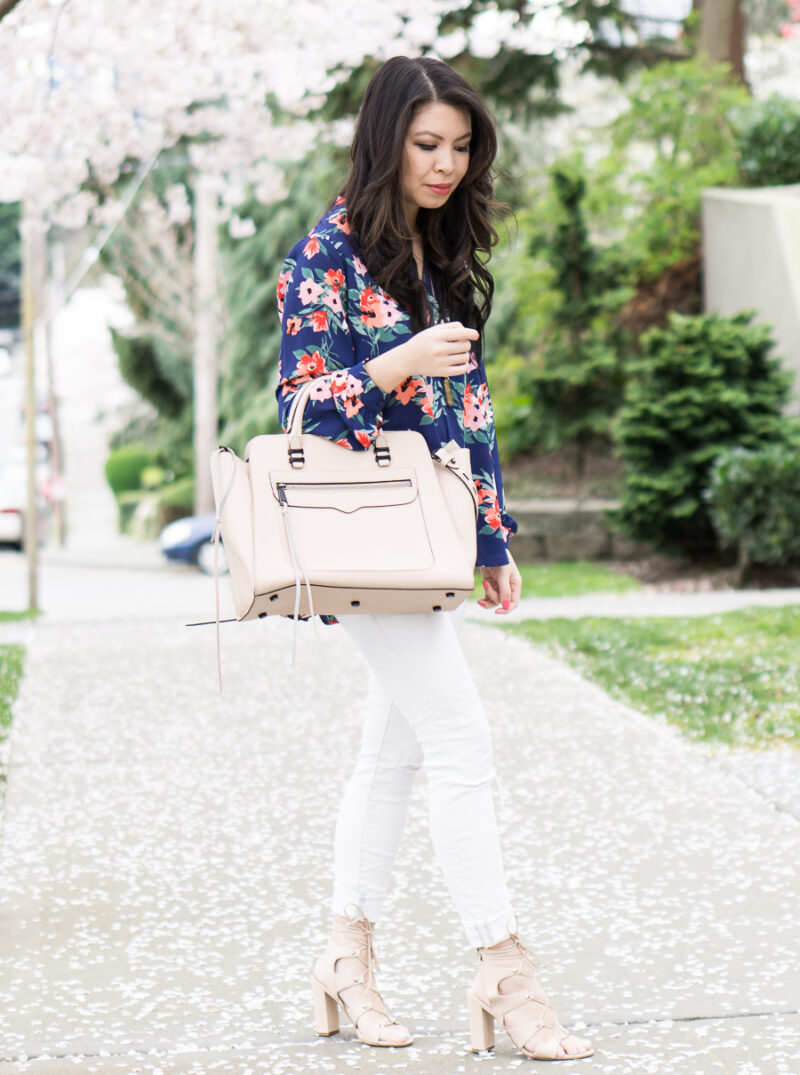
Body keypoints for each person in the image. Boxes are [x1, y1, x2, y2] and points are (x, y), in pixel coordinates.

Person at [274, 55, 592, 1063]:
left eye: (458, 146)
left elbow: (474, 409)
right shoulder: (323, 256)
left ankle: (343, 955)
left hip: (433, 532)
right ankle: (501, 966)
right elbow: (299, 404)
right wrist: (395, 361)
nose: (445, 163)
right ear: (383, 142)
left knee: (393, 751)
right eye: (425, 145)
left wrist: (493, 538)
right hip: (363, 530)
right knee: (460, 740)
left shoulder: (435, 255)